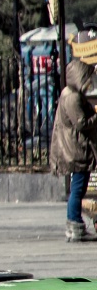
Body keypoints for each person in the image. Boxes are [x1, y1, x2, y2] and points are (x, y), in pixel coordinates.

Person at [51, 58, 97, 240]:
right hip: (75, 149)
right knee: (78, 188)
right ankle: (74, 223)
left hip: (73, 147)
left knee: (78, 187)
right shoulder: (72, 97)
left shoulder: (69, 94)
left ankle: (75, 224)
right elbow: (81, 123)